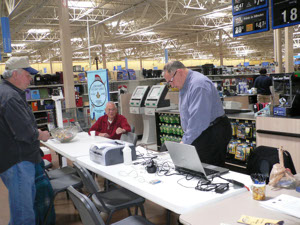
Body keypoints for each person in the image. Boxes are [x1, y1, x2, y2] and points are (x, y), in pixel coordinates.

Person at [0, 56, 51, 225]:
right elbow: (25, 132)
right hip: (18, 162)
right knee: (24, 216)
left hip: (12, 160)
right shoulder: (11, 97)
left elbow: (15, 126)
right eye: (27, 74)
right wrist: (40, 135)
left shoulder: (6, 92)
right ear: (15, 74)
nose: (31, 79)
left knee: (19, 211)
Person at [163, 61, 232, 166]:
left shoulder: (198, 85)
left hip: (212, 132)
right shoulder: (183, 85)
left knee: (209, 168)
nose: (171, 85)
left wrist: (184, 143)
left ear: (179, 72)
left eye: (171, 81)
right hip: (202, 131)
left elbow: (198, 120)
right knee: (196, 165)